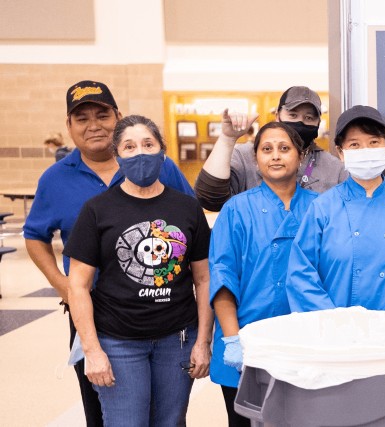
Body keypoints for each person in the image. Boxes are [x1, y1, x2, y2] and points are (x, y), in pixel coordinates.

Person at [23, 80, 194, 427]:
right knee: (105, 413)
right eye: (81, 118)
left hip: (161, 312)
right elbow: (34, 236)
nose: (93, 125)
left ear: (118, 116)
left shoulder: (158, 165)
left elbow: (188, 224)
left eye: (102, 114)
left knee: (168, 415)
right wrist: (65, 287)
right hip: (94, 315)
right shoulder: (55, 178)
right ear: (69, 126)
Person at [64, 115, 213, 427]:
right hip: (117, 340)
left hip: (178, 339)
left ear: (162, 150)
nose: (140, 153)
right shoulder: (97, 210)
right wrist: (92, 351)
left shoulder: (186, 208)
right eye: (129, 147)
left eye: (148, 144)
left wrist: (203, 341)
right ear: (118, 156)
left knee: (170, 422)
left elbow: (203, 278)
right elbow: (77, 286)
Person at [208, 121, 319, 426]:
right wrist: (232, 339)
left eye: (284, 149)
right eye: (266, 149)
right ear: (255, 158)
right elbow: (222, 275)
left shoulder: (321, 209)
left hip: (304, 346)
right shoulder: (235, 209)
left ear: (301, 155)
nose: (275, 156)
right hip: (246, 343)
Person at [287, 105, 385, 313]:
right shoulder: (323, 208)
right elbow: (301, 275)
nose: (365, 151)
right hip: (334, 332)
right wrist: (334, 320)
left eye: (374, 142)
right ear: (341, 153)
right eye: (355, 145)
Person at [195, 86, 347, 211]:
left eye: (308, 118)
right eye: (293, 115)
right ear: (277, 115)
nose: (300, 123)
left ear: (319, 122)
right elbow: (209, 198)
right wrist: (227, 139)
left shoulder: (334, 168)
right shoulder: (246, 155)